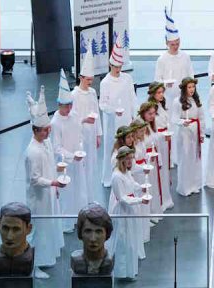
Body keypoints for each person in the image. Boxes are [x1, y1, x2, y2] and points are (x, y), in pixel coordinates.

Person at [24, 87, 65, 279]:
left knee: (49, 225)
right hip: (39, 198)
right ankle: (34, 265)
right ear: (36, 130)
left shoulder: (45, 143)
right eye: (45, 130)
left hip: (49, 192)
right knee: (39, 229)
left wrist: (54, 184)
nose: (49, 131)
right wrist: (53, 183)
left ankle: (48, 255)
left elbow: (50, 165)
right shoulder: (33, 152)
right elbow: (35, 179)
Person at [50, 70, 89, 233]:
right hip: (64, 163)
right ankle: (66, 221)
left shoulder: (74, 116)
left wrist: (79, 148)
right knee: (67, 192)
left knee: (79, 188)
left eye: (70, 105)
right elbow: (57, 147)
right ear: (59, 105)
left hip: (76, 159)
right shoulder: (55, 122)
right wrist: (72, 156)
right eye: (66, 106)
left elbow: (79, 134)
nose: (68, 109)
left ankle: (79, 217)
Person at [155, 8, 195, 167]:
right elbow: (156, 80)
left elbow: (191, 75)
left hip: (182, 98)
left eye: (177, 43)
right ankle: (170, 157)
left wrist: (189, 90)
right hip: (168, 99)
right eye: (172, 44)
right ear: (166, 43)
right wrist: (165, 85)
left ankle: (182, 156)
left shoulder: (185, 57)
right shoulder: (162, 59)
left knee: (183, 126)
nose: (175, 46)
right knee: (170, 126)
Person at [100, 40, 137, 186]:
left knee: (128, 147)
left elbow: (132, 98)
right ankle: (110, 177)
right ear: (110, 65)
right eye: (115, 66)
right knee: (113, 148)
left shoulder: (127, 79)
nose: (118, 69)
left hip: (126, 120)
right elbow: (102, 104)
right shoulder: (105, 82)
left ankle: (128, 173)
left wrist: (134, 115)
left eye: (120, 66)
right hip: (113, 123)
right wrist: (113, 110)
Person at [108, 146, 148, 281]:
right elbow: (122, 198)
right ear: (122, 160)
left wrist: (142, 187)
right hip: (123, 211)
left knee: (131, 240)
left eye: (132, 158)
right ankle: (122, 271)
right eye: (128, 158)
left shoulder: (126, 172)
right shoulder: (116, 176)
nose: (131, 161)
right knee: (123, 241)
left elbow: (133, 184)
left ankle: (130, 271)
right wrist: (140, 200)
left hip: (131, 210)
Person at [71, 51, 102, 202]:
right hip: (80, 134)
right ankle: (81, 198)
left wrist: (98, 134)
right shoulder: (74, 95)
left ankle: (90, 196)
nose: (90, 82)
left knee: (91, 166)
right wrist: (83, 120)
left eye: (92, 79)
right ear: (81, 78)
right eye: (88, 79)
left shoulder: (92, 93)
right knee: (81, 167)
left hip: (91, 133)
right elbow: (71, 118)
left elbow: (96, 112)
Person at [171, 77, 205, 196]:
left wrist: (201, 133)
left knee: (194, 158)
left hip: (195, 132)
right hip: (184, 133)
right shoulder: (177, 102)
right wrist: (182, 122)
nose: (191, 89)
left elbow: (201, 117)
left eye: (193, 87)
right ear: (184, 88)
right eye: (189, 87)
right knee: (185, 158)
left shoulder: (196, 101)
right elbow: (174, 118)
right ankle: (185, 187)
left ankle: (195, 185)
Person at [146, 83, 174, 210]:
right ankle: (159, 199)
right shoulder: (150, 109)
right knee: (159, 168)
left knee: (165, 169)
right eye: (158, 92)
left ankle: (166, 197)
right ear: (152, 94)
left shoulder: (162, 106)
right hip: (157, 141)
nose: (161, 95)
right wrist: (162, 135)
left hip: (164, 140)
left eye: (162, 92)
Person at [137, 103, 167, 219]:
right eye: (150, 114)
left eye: (154, 113)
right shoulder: (139, 126)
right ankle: (147, 213)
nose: (152, 116)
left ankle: (154, 210)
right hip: (146, 160)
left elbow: (154, 139)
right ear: (143, 113)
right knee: (148, 185)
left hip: (152, 159)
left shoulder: (151, 125)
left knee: (153, 185)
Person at [71, 203, 114, 276]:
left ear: (107, 234)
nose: (93, 239)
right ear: (80, 233)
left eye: (98, 232)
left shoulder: (109, 261)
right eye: (88, 231)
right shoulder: (76, 261)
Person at [0, 202, 34, 277]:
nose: (9, 237)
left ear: (28, 229)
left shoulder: (30, 258)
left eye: (16, 229)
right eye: (5, 228)